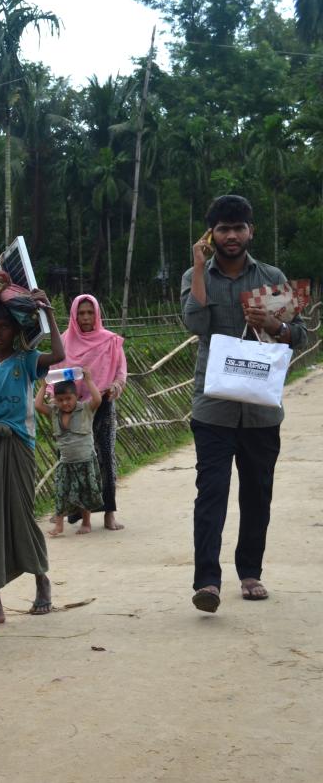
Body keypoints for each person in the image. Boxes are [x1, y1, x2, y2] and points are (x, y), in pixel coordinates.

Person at [181, 194, 307, 613]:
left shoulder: (271, 276)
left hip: (260, 410)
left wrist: (277, 325)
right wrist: (199, 269)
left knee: (257, 493)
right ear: (210, 234)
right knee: (211, 493)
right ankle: (207, 582)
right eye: (223, 229)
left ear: (250, 231)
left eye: (238, 228)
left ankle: (250, 572)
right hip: (212, 407)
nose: (231, 236)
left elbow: (301, 335)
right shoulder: (196, 275)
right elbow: (194, 323)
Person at [0, 295, 65, 627]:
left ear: (14, 329)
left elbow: (60, 355)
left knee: (21, 517)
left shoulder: (25, 361)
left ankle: (41, 580)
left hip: (19, 447)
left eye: (3, 327)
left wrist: (49, 315)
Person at [60, 295, 126, 531]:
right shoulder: (64, 342)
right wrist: (54, 395)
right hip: (75, 408)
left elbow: (120, 372)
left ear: (97, 314)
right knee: (77, 458)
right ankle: (80, 512)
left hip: (103, 405)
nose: (86, 317)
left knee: (106, 457)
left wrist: (115, 387)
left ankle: (109, 513)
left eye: (90, 312)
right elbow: (56, 373)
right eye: (82, 313)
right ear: (74, 315)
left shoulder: (111, 341)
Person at [37, 371, 104, 537]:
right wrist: (44, 385)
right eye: (60, 400)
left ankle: (86, 522)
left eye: (69, 399)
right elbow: (38, 405)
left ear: (76, 397)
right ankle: (59, 525)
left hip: (85, 460)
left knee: (85, 492)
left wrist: (88, 379)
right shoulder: (54, 413)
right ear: (55, 400)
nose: (65, 403)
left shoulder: (86, 409)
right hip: (65, 462)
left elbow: (97, 399)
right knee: (61, 492)